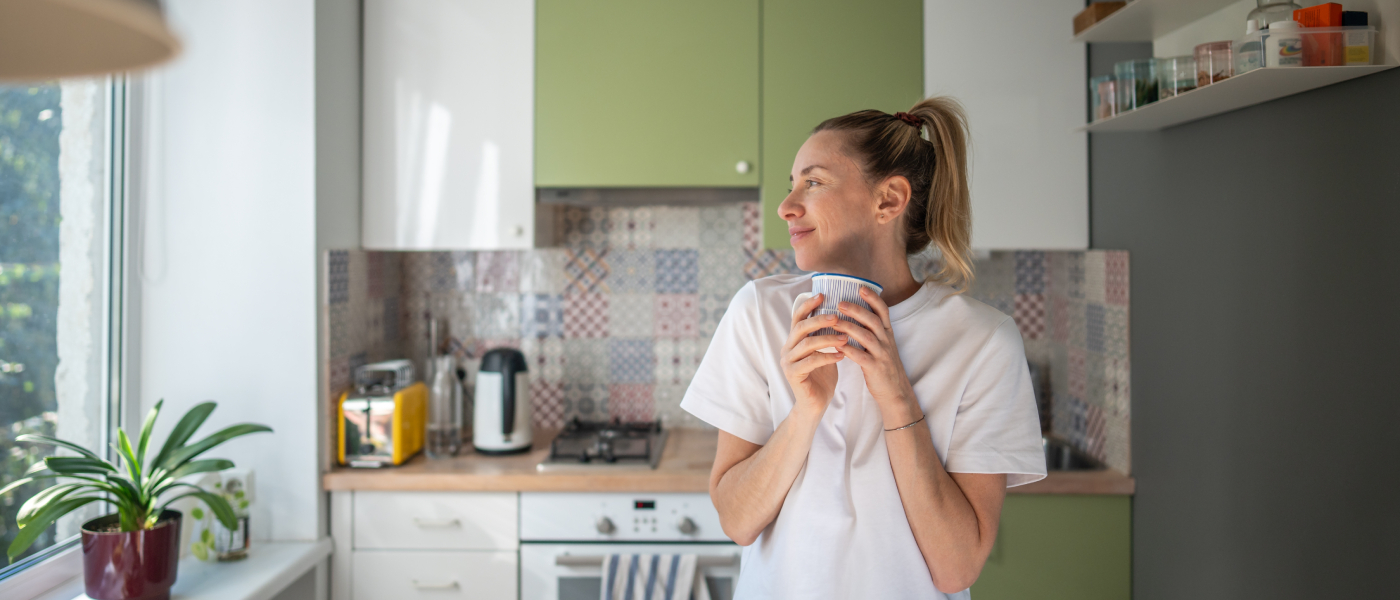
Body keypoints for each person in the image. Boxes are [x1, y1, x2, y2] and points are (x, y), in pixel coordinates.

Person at [680, 97, 1047, 599]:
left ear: (889, 200)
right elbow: (738, 521)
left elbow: (956, 568)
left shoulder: (982, 342)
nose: (786, 206)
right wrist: (806, 409)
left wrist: (897, 398)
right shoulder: (760, 313)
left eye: (813, 182)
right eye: (792, 185)